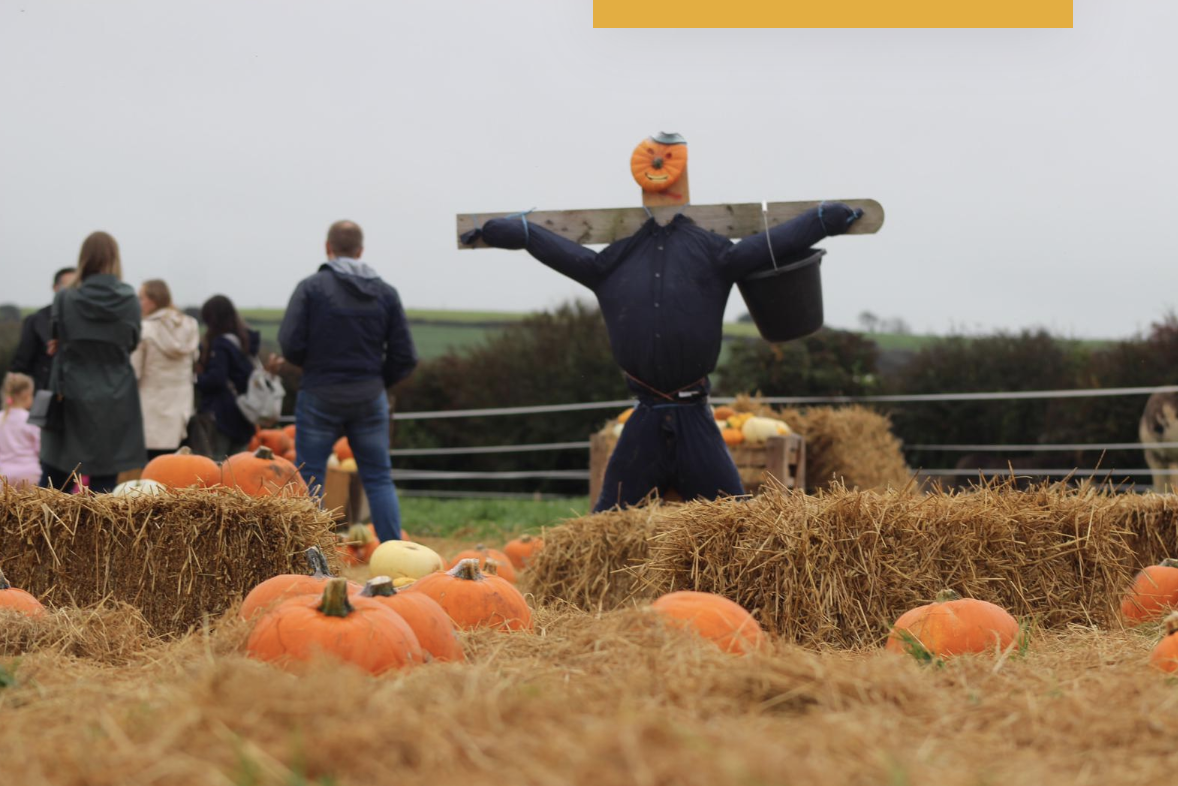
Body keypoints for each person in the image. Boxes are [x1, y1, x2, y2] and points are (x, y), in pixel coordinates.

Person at [465, 198, 862, 512]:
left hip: (695, 419)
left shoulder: (713, 254)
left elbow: (771, 244)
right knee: (609, 529)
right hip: (645, 420)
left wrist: (823, 221)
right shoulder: (612, 263)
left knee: (736, 524)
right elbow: (551, 247)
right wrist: (514, 232)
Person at [278, 220, 417, 541]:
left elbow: (290, 343)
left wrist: (310, 367)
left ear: (328, 248)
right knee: (379, 478)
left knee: (310, 478)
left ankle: (307, 556)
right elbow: (405, 355)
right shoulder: (386, 293)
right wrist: (377, 382)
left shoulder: (311, 288)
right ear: (360, 251)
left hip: (319, 393)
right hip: (369, 396)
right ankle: (393, 555)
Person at [40, 231, 146, 493]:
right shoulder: (130, 299)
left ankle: (48, 532)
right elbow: (132, 341)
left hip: (71, 388)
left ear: (83, 258)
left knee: (56, 477)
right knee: (105, 479)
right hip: (115, 391)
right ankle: (98, 534)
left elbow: (56, 337)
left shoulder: (65, 297)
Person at [130, 279, 200, 461]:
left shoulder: (144, 329)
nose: (139, 303)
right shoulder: (190, 325)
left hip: (150, 406)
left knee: (151, 468)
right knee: (176, 467)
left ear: (153, 300)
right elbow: (195, 360)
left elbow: (134, 371)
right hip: (181, 406)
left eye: (141, 298)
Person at [195, 295, 261, 460]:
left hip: (222, 414)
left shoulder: (220, 345)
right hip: (244, 413)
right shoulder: (244, 342)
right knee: (238, 467)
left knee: (216, 464)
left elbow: (216, 379)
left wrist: (195, 379)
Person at [10, 267, 77, 391]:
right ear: (55, 288)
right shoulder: (37, 320)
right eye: (68, 287)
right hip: (45, 393)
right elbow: (22, 363)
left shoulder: (86, 322)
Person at [0, 372, 41, 488]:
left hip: (4, 475)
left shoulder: (1, 418)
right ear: (27, 395)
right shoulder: (30, 419)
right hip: (29, 473)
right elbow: (39, 448)